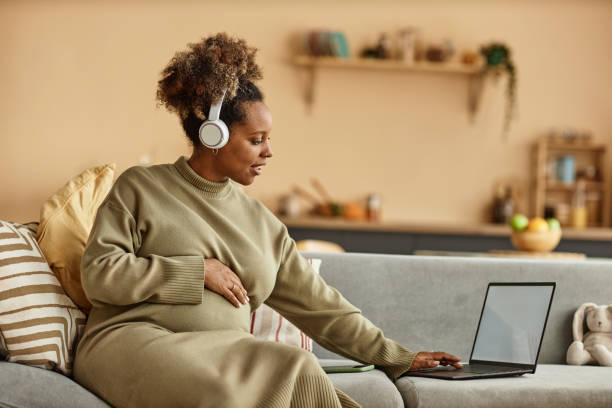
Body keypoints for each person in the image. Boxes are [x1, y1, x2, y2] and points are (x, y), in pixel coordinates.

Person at [73, 33, 461, 408]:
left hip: (225, 353)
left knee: (298, 365)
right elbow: (100, 275)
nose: (269, 152)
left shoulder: (263, 224)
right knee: (224, 394)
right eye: (256, 140)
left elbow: (322, 307)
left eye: (268, 139)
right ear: (213, 134)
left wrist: (397, 356)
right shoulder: (142, 187)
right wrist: (197, 272)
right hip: (131, 341)